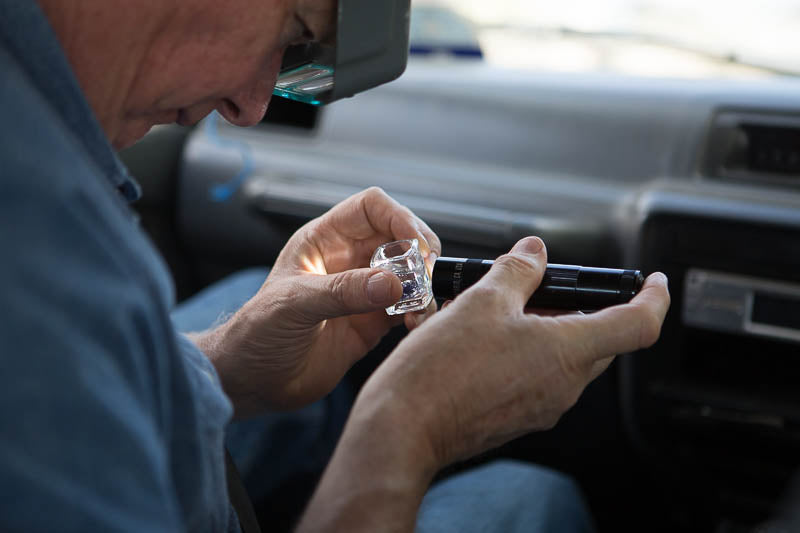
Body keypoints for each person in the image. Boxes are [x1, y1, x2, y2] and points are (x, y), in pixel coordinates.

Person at [0, 0, 671, 532]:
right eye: (293, 27)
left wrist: (223, 362)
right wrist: (407, 427)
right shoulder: (43, 251)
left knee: (249, 304)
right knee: (532, 494)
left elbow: (91, 370)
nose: (253, 106)